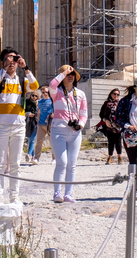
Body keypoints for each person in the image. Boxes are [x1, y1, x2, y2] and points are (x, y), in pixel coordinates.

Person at [0, 47, 39, 203]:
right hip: (1, 126)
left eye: (14, 59)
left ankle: (14, 196)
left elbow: (35, 86)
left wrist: (26, 68)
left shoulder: (22, 81)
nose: (12, 62)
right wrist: (4, 69)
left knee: (15, 163)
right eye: (8, 59)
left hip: (18, 125)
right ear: (2, 61)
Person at [48, 65, 89, 203]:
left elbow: (84, 114)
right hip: (58, 129)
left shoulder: (81, 94)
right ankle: (57, 193)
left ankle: (68, 194)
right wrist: (64, 72)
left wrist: (81, 125)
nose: (70, 76)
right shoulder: (56, 92)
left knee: (72, 164)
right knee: (62, 162)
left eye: (73, 74)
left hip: (75, 132)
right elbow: (52, 84)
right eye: (67, 74)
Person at [97, 88, 123, 165]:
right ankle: (110, 157)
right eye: (114, 94)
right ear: (111, 94)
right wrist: (106, 120)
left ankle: (119, 157)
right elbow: (101, 114)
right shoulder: (106, 103)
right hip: (108, 125)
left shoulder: (121, 103)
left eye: (118, 94)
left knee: (118, 141)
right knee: (110, 141)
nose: (116, 95)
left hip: (118, 126)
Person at [32, 87, 54, 163]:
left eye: (46, 92)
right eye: (43, 92)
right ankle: (36, 158)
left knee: (52, 142)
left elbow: (54, 112)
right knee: (39, 142)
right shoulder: (40, 102)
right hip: (41, 124)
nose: (45, 94)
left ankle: (54, 158)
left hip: (50, 124)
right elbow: (39, 112)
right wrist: (37, 122)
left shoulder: (52, 101)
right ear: (41, 93)